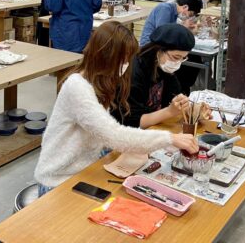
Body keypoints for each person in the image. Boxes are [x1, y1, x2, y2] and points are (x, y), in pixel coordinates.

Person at [34, 21, 199, 196]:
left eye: (128, 60)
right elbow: (114, 134)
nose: (126, 65)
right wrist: (169, 138)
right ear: (104, 56)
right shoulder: (77, 87)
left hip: (86, 169)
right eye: (123, 60)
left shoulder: (102, 82)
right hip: (58, 180)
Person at [116, 24, 210, 128]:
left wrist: (193, 111)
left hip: (155, 128)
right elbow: (132, 122)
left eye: (183, 58)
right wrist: (169, 112)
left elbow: (175, 98)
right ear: (158, 50)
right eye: (176, 57)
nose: (178, 63)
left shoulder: (163, 68)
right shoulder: (134, 72)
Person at [139, 0, 203, 94]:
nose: (188, 17)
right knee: (184, 66)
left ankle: (180, 91)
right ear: (185, 7)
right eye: (190, 14)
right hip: (151, 47)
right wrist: (184, 27)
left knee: (194, 59)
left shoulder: (173, 13)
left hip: (163, 46)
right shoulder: (165, 9)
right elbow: (164, 35)